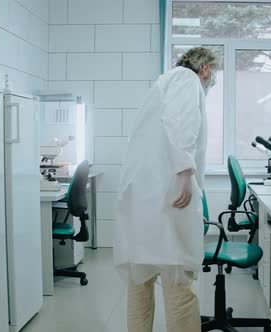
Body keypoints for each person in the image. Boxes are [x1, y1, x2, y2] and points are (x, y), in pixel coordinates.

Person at [114, 47, 218, 332]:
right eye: (213, 79)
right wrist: (185, 172)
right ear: (205, 69)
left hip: (141, 197)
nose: (210, 85)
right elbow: (181, 124)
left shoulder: (162, 83)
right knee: (178, 285)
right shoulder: (187, 79)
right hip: (167, 194)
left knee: (139, 284)